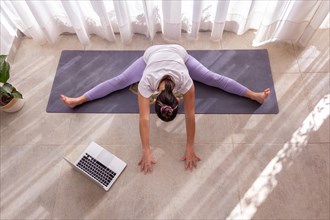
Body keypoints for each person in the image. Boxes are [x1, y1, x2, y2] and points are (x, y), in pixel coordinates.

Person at [61, 44, 270, 174]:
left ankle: (254, 95)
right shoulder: (145, 82)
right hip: (150, 56)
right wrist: (146, 149)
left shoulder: (186, 81)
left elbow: (190, 115)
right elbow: (143, 119)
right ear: (155, 100)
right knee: (121, 80)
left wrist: (190, 146)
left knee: (213, 78)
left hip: (180, 54)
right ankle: (79, 99)